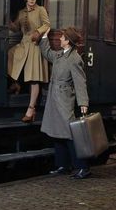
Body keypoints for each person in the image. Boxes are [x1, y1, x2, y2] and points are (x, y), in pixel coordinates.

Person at [39, 26, 91, 179]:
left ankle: (83, 167)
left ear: (68, 41)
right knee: (57, 133)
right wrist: (44, 37)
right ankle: (63, 165)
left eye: (62, 37)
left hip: (64, 100)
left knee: (70, 134)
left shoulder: (74, 59)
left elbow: (80, 82)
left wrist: (83, 103)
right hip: (54, 99)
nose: (59, 39)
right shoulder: (60, 55)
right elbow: (47, 53)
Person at [8, 0, 50, 123]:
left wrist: (38, 32)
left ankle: (31, 109)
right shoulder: (21, 13)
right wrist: (9, 22)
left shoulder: (40, 10)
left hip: (35, 45)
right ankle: (15, 83)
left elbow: (47, 24)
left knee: (33, 78)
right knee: (11, 53)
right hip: (24, 43)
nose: (32, 0)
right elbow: (15, 28)